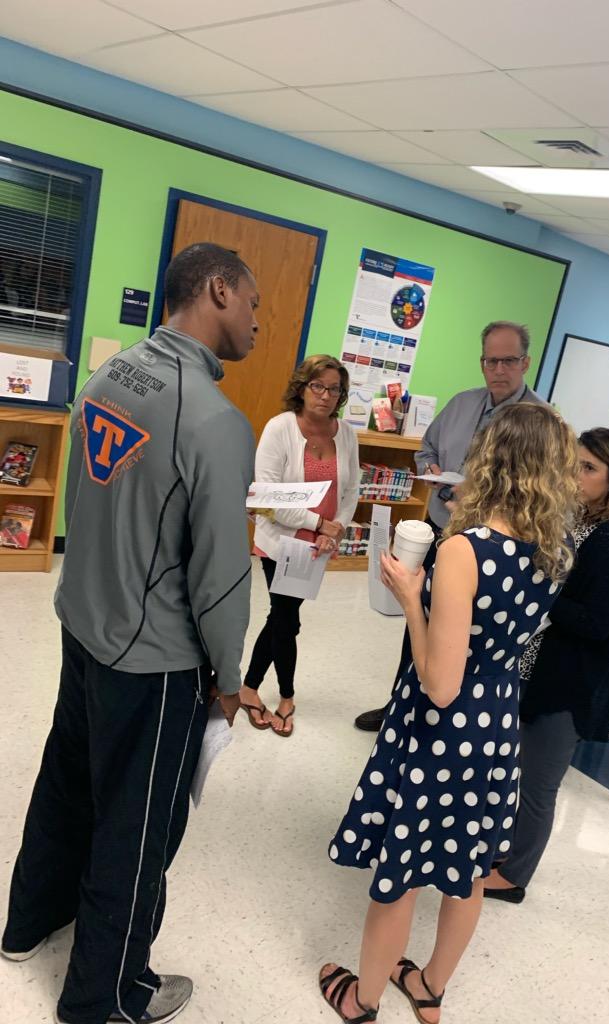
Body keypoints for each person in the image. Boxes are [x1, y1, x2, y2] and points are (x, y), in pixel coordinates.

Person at [1, 242, 260, 1024]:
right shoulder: (216, 421)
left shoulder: (110, 374)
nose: (256, 321)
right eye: (252, 303)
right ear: (217, 290)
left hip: (85, 624)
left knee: (66, 783)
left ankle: (26, 924)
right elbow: (219, 575)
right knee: (137, 832)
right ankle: (105, 997)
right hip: (152, 661)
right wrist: (226, 676)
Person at [319, 403, 579, 1024]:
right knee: (466, 868)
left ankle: (364, 998)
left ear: (490, 459)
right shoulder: (556, 547)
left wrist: (412, 599)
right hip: (495, 721)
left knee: (402, 867)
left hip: (442, 728)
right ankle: (430, 987)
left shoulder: (466, 551)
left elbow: (439, 682)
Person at [354, 320, 548, 733]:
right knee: (417, 616)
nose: (498, 369)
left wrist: (480, 500)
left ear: (526, 362)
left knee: (468, 635)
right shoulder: (461, 403)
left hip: (492, 547)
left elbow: (537, 487)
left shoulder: (538, 421)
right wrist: (435, 474)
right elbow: (425, 451)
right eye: (490, 360)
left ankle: (443, 714)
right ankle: (400, 707)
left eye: (508, 360)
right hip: (443, 529)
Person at [484, 427, 609, 905]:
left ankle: (515, 876)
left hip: (570, 683)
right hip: (542, 668)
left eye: (588, 468)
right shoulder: (581, 522)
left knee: (537, 784)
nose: (575, 474)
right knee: (514, 770)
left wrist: (546, 594)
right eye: (574, 463)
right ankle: (503, 853)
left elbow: (598, 623)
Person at [240, 354, 361, 736]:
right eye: (318, 386)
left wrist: (336, 527)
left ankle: (248, 688)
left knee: (281, 617)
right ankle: (286, 696)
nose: (325, 396)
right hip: (281, 542)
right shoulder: (280, 429)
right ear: (303, 387)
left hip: (319, 546)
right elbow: (270, 498)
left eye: (334, 389)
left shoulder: (347, 433)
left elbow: (352, 487)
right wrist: (320, 523)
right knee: (287, 620)